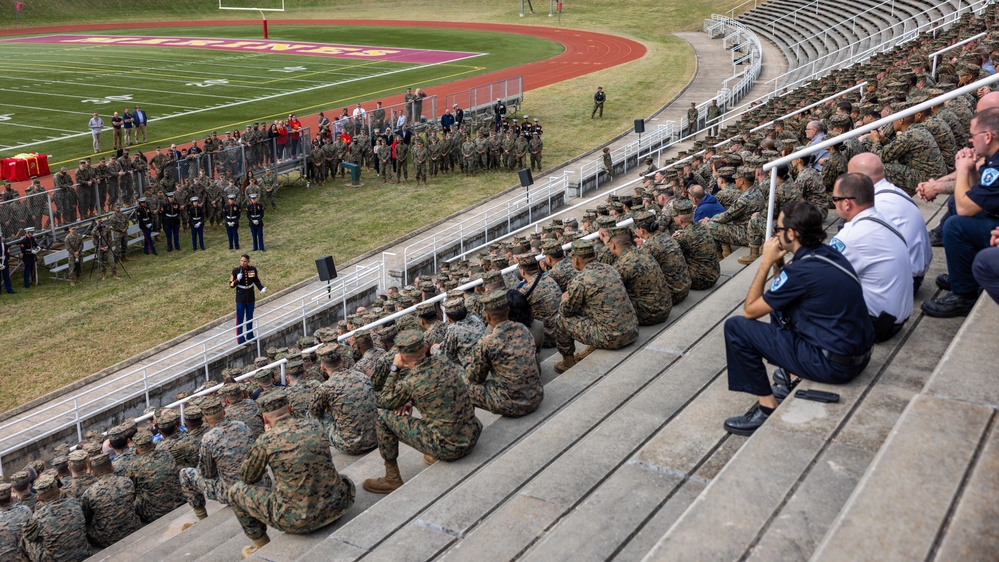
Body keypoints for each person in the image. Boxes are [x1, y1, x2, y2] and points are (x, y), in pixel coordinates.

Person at [722, 201, 874, 435]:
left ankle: (766, 408)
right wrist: (778, 264)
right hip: (856, 355)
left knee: (736, 327)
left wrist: (764, 262)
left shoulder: (801, 272)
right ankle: (794, 374)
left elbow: (750, 311)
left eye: (779, 230)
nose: (776, 235)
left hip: (832, 365)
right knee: (780, 305)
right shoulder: (829, 253)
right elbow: (785, 292)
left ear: (791, 233)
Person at [228, 392, 355, 558]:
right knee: (341, 477)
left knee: (236, 491)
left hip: (298, 519)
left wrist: (266, 439)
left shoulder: (266, 440)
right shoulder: (313, 425)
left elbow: (248, 478)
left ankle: (261, 544)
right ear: (289, 408)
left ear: (265, 420)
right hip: (339, 504)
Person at [363, 330, 482, 493]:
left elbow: (384, 401)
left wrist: (394, 369)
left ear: (402, 358)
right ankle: (438, 449)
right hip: (473, 434)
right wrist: (409, 400)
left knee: (382, 417)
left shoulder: (411, 381)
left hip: (450, 448)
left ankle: (392, 478)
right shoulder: (443, 361)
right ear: (425, 348)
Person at [924, 107, 999, 317]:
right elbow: (978, 194)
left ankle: (964, 295)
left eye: (973, 136)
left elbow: (967, 208)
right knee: (958, 210)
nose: (970, 141)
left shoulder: (997, 164)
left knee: (956, 225)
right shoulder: (993, 158)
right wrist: (973, 169)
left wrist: (964, 170)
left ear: (988, 136)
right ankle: (965, 277)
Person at [829, 173, 913, 342]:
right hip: (896, 318)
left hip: (876, 326)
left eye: (834, 199)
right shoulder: (883, 219)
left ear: (846, 203)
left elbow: (819, 275)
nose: (833, 202)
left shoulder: (851, 235)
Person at [848, 153, 932, 292]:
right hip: (910, 274)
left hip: (900, 283)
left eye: (849, 175)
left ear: (858, 178)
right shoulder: (894, 192)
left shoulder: (877, 205)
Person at [553, 239, 639, 373]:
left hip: (613, 338)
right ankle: (591, 347)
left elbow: (566, 311)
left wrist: (564, 298)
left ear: (575, 260)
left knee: (561, 320)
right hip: (632, 331)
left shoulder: (580, 281)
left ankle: (568, 363)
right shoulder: (611, 269)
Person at [464, 290, 544, 417]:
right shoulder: (523, 329)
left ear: (487, 316)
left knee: (464, 384)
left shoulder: (487, 342)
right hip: (537, 396)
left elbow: (475, 378)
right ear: (507, 310)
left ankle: (469, 426)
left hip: (515, 406)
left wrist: (468, 364)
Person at [179, 396, 255, 526]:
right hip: (258, 483)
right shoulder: (242, 426)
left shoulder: (209, 438)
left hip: (233, 493)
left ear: (206, 420)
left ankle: (202, 519)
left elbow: (207, 474)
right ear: (224, 412)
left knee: (185, 474)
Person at [309, 343, 378, 455]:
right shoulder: (361, 375)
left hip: (350, 445)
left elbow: (314, 413)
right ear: (342, 360)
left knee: (313, 416)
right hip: (377, 437)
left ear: (322, 367)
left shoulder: (325, 388)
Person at [20, 473, 91, 562]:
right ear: (58, 490)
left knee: (25, 539)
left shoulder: (38, 516)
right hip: (83, 553)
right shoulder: (74, 502)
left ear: (39, 497)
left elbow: (30, 536)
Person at [79, 452, 142, 547]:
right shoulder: (127, 481)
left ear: (92, 473)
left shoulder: (89, 493)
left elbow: (86, 517)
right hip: (133, 528)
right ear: (112, 467)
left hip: (107, 539)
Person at [124, 429, 182, 523]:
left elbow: (131, 491)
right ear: (154, 445)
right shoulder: (166, 454)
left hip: (156, 513)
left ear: (137, 450)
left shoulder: (133, 467)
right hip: (180, 501)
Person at [230, 254, 266, 345]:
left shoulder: (252, 269)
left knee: (250, 316)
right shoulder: (236, 270)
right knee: (240, 318)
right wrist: (237, 280)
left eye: (245, 261)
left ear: (248, 262)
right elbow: (231, 285)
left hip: (250, 295)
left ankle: (249, 334)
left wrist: (261, 288)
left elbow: (256, 280)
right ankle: (240, 338)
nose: (243, 263)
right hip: (241, 297)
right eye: (241, 261)